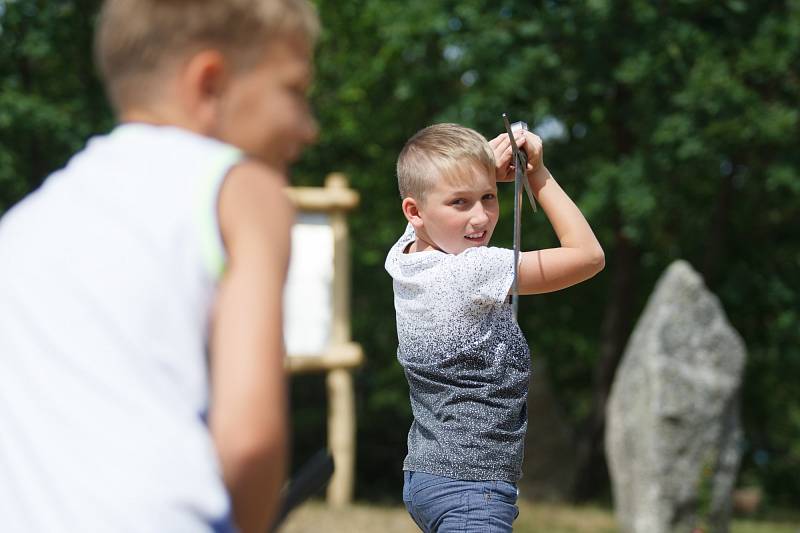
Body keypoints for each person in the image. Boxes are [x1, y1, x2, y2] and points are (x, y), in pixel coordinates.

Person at [0, 1, 319, 532]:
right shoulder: (243, 191)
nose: (308, 127)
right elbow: (249, 441)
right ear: (211, 84)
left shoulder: (22, 226)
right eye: (295, 91)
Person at [385, 123, 605, 532]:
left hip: (427, 476)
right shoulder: (474, 268)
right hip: (472, 487)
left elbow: (428, 192)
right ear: (415, 211)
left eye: (488, 196)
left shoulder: (405, 256)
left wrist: (478, 164)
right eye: (460, 202)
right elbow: (589, 256)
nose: (480, 216)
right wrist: (538, 174)